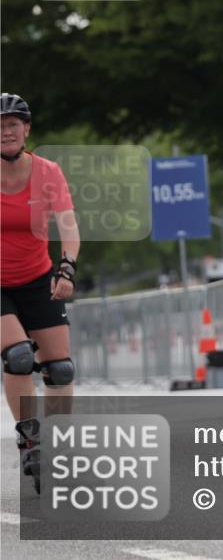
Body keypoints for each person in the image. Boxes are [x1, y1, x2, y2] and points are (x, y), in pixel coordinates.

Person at [0, 93, 80, 493]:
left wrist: (67, 266)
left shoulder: (48, 172)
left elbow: (67, 224)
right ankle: (31, 438)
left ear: (26, 129)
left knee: (60, 368)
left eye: (12, 124)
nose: (5, 131)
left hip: (37, 277)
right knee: (17, 357)